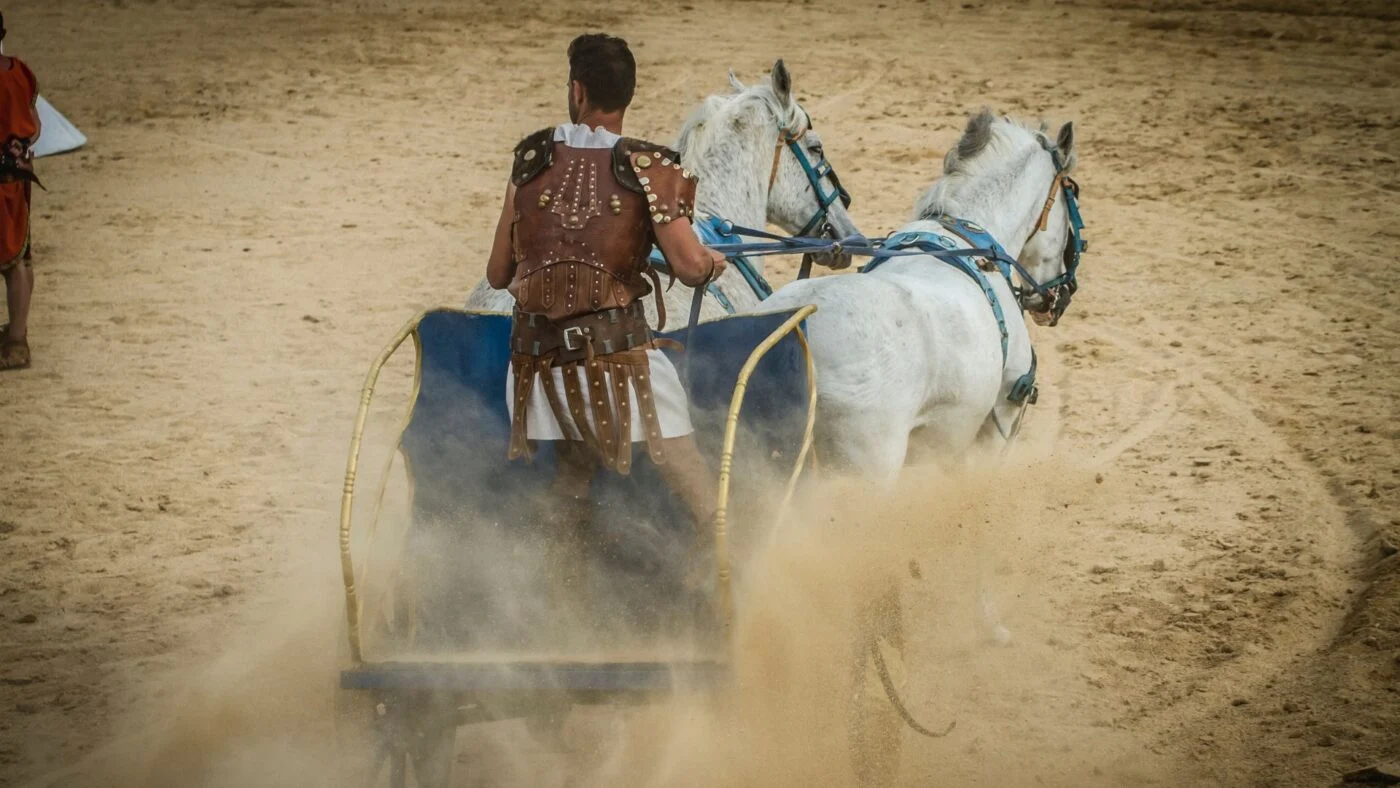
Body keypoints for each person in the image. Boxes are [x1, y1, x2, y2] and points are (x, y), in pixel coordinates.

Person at [485, 33, 727, 582]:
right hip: (619, 365)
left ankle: (561, 604)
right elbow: (689, 268)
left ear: (577, 91)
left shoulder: (529, 162)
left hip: (537, 371)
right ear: (627, 97)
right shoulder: (649, 166)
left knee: (572, 475)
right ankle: (737, 591)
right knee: (692, 478)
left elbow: (499, 275)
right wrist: (712, 261)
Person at [0, 11, 39, 371]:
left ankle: (14, 343)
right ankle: (17, 337)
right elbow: (35, 126)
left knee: (9, 262)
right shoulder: (20, 71)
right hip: (21, 179)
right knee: (20, 259)